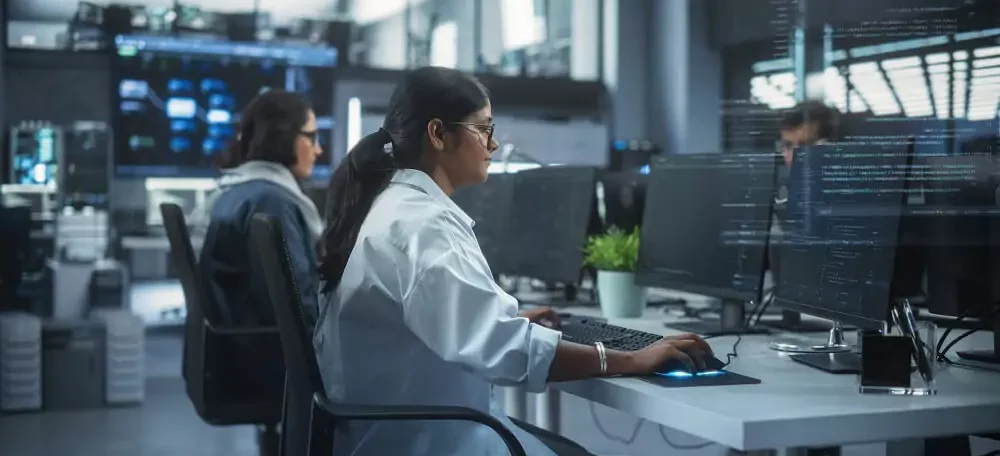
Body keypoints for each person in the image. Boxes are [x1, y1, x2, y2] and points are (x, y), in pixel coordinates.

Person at [313, 66, 713, 456]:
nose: (494, 144)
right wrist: (631, 359)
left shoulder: (393, 206)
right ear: (437, 134)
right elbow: (504, 352)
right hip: (431, 441)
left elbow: (455, 323)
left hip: (397, 432)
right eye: (484, 129)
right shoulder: (423, 224)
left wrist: (509, 322)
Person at [200, 89, 323, 329]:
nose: (318, 150)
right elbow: (301, 310)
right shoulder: (274, 203)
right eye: (312, 136)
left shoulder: (233, 193)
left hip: (241, 353)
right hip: (272, 358)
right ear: (284, 137)